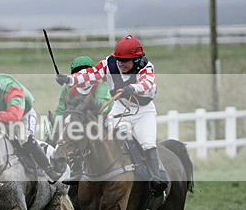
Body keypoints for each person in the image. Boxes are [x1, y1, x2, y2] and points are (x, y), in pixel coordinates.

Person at [56, 34, 168, 194]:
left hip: (144, 112)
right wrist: (69, 79)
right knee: (102, 138)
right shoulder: (109, 64)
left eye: (125, 61)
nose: (121, 64)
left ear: (136, 60)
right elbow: (91, 75)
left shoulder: (146, 67)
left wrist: (133, 88)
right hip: (120, 108)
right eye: (119, 60)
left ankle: (156, 178)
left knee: (147, 142)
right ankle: (80, 171)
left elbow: (148, 84)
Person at [50, 56, 113, 179]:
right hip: (78, 121)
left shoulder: (101, 85)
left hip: (104, 118)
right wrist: (54, 133)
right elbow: (61, 110)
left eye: (86, 72)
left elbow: (102, 107)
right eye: (78, 73)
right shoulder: (67, 88)